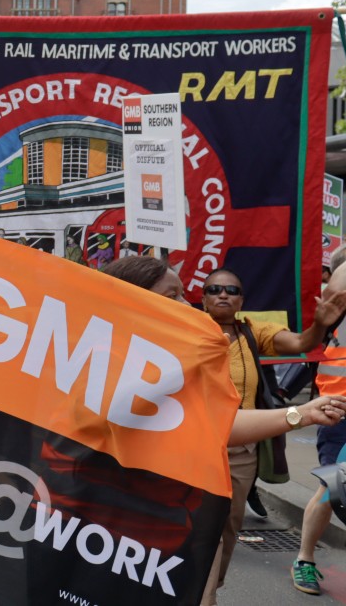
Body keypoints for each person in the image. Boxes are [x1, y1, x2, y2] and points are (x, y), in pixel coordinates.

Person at [102, 258, 346, 604]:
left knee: (218, 534)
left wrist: (301, 411)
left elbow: (218, 423)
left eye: (232, 291)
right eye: (212, 290)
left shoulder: (239, 333)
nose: (221, 297)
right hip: (134, 517)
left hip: (217, 467)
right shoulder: (106, 360)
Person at [292, 250, 346, 595]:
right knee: (333, 488)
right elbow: (337, 286)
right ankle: (304, 559)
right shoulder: (339, 296)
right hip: (341, 408)